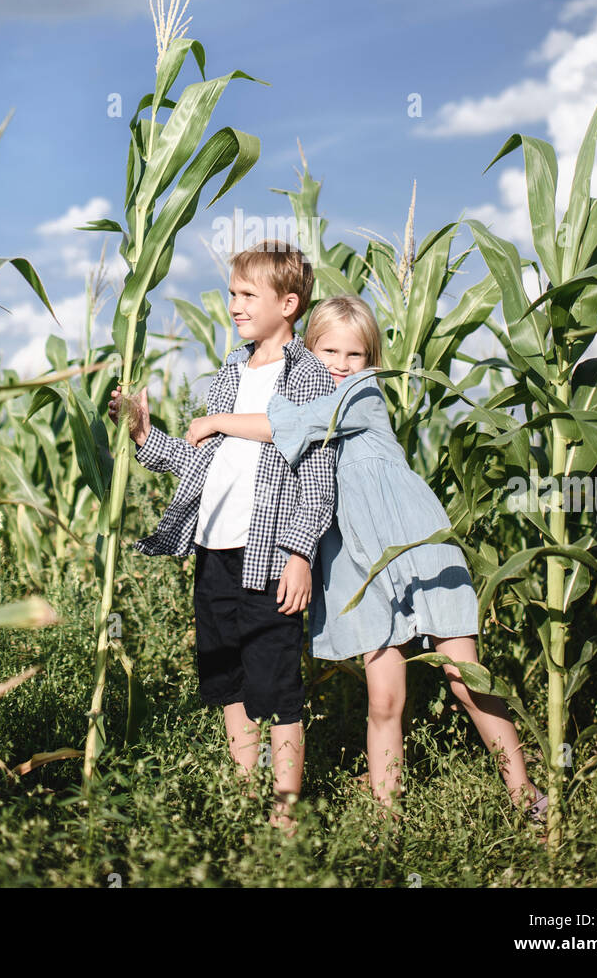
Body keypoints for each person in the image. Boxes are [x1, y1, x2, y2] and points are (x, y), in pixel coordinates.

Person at [184, 293, 548, 825]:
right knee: (384, 699)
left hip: (418, 549)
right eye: (327, 351)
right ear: (310, 351)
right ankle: (385, 819)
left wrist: (215, 421)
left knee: (466, 679)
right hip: (360, 571)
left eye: (354, 354)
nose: (340, 364)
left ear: (370, 361)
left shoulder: (360, 396)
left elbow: (284, 426)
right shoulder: (302, 395)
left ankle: (527, 795)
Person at [109, 241, 336, 832]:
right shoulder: (230, 372)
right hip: (214, 553)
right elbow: (195, 461)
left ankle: (284, 819)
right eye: (232, 293)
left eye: (246, 295)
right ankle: (243, 797)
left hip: (267, 558)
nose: (234, 305)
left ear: (287, 304)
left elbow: (315, 474)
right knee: (228, 680)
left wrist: (299, 554)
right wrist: (141, 432)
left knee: (277, 685)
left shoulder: (307, 375)